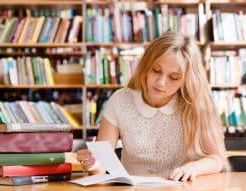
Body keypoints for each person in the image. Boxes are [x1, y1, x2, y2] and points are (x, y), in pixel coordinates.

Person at [77, 31, 230, 182]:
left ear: (186, 80)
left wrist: (193, 168)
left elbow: (217, 159)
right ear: (146, 66)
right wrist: (93, 164)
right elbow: (101, 167)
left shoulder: (197, 104)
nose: (161, 82)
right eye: (156, 70)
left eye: (174, 77)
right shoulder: (120, 100)